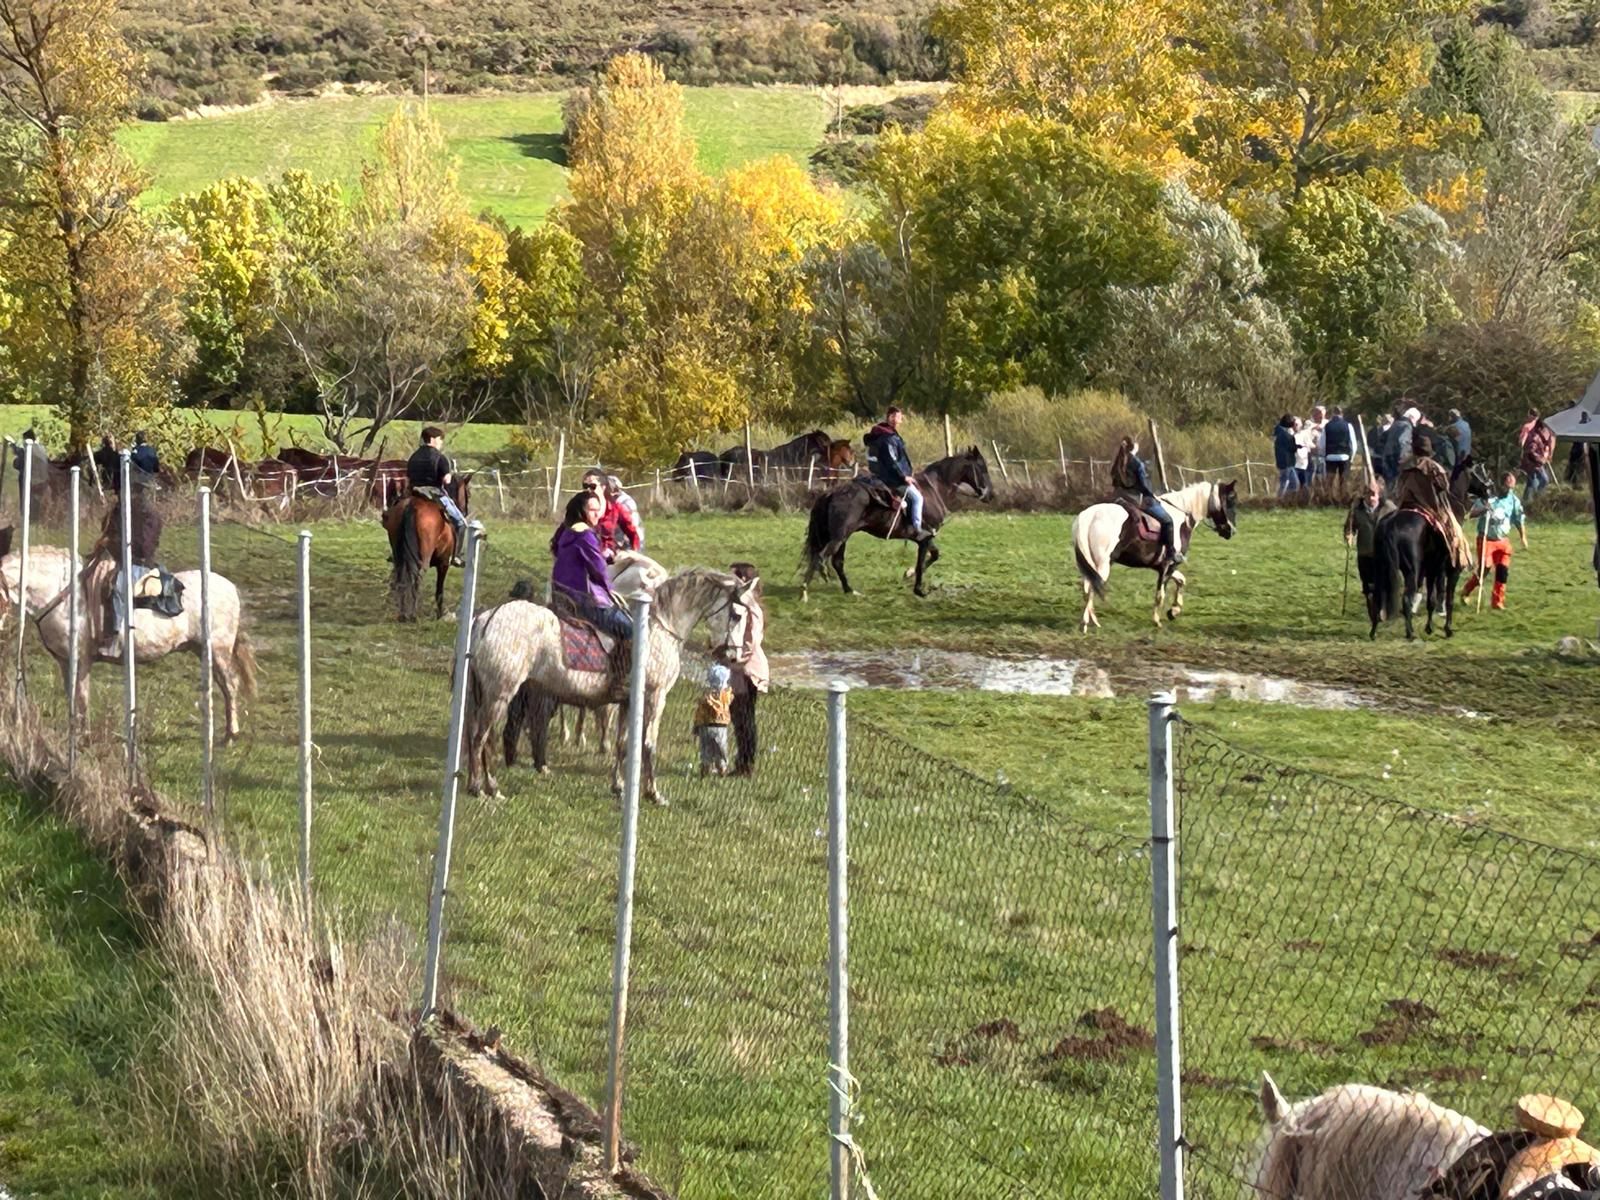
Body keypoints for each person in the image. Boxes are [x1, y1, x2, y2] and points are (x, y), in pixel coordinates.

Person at [88, 476, 164, 658]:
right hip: (118, 557)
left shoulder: (149, 515)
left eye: (122, 491)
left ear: (136, 491)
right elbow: (109, 529)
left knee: (119, 587)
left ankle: (116, 638)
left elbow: (144, 547)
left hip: (138, 562)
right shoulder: (121, 509)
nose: (118, 495)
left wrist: (114, 543)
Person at [550, 490, 633, 643]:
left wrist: (605, 555)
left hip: (561, 595)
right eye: (592, 510)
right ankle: (623, 666)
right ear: (581, 511)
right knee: (631, 630)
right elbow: (599, 570)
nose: (597, 515)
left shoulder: (565, 532)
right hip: (584, 599)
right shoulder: (585, 535)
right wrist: (610, 592)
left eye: (598, 510)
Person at [1393, 430, 1473, 571]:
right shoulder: (1434, 467)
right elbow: (1444, 486)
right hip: (1428, 506)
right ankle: (1458, 560)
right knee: (1454, 529)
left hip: (1403, 504)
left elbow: (1397, 486)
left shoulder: (1404, 464)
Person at [1111, 435, 1184, 564]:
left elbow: (1115, 481)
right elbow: (1144, 486)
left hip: (1119, 498)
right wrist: (1153, 495)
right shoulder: (1137, 463)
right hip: (1137, 500)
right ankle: (1170, 553)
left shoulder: (1118, 461)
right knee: (1168, 521)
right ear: (1135, 447)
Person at [725, 561, 768, 777]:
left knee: (746, 717)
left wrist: (737, 662)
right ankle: (741, 761)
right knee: (738, 716)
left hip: (748, 670)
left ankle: (746, 764)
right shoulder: (739, 603)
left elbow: (752, 641)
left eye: (733, 577)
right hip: (738, 668)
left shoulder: (751, 607)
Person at [863, 406, 932, 540]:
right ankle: (917, 529)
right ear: (889, 417)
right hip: (891, 478)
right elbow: (892, 461)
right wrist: (903, 476)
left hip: (880, 475)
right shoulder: (887, 437)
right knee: (917, 498)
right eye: (896, 417)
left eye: (899, 417)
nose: (898, 420)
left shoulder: (882, 434)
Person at [1463, 472, 1528, 610]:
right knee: (1484, 570)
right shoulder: (1488, 498)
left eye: (1512, 488)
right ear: (1501, 485)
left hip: (1503, 541)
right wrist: (1483, 510)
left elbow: (1518, 518)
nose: (1509, 491)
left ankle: (1497, 602)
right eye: (1507, 487)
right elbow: (1471, 514)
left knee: (1502, 571)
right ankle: (1466, 590)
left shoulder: (1513, 501)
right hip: (1486, 539)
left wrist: (1523, 536)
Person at [406, 426, 467, 567]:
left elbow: (408, 478)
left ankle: (396, 552)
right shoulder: (440, 457)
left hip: (414, 493)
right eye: (440, 440)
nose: (441, 444)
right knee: (461, 523)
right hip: (434, 494)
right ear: (433, 439)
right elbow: (447, 481)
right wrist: (449, 474)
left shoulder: (413, 457)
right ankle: (456, 556)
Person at [1344, 478, 1395, 610]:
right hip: (1365, 552)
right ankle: (1372, 607)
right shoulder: (1357, 510)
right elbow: (1349, 527)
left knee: (1383, 583)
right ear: (1364, 495)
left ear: (1379, 495)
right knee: (1368, 585)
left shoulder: (1389, 509)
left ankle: (1384, 606)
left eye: (1374, 495)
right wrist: (1349, 536)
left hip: (1384, 553)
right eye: (1369, 495)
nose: (1372, 498)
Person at [583, 470, 639, 559]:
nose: (588, 490)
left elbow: (632, 533)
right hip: (587, 560)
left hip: (612, 560)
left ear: (603, 487)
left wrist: (631, 553)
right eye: (585, 486)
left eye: (593, 486)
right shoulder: (578, 510)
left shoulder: (616, 509)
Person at [692, 661, 734, 778]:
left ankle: (704, 770)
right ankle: (722, 770)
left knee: (705, 751)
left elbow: (699, 713)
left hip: (705, 726)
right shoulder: (726, 695)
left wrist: (696, 726)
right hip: (721, 727)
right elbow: (731, 699)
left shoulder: (706, 696)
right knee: (721, 751)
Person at [1519, 409, 1557, 502]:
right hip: (1533, 457)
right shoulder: (1530, 427)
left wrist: (1547, 453)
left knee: (1535, 480)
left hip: (1536, 457)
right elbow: (1522, 442)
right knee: (1536, 480)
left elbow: (1522, 442)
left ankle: (1532, 500)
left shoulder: (1534, 427)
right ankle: (1532, 500)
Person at [1323, 406, 1355, 494]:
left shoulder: (1327, 426)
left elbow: (1322, 443)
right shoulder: (1348, 425)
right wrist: (1351, 457)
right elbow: (1353, 443)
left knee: (1329, 480)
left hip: (1330, 456)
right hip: (1344, 456)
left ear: (1333, 414)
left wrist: (1324, 455)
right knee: (1344, 480)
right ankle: (1343, 497)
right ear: (1342, 414)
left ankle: (1328, 497)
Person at [606, 475, 643, 551]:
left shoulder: (626, 502)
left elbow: (632, 523)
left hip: (630, 541)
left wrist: (625, 541)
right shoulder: (610, 502)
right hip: (617, 540)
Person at [1273, 414, 1299, 498]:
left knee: (1293, 483)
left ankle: (1288, 499)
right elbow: (1292, 448)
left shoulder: (1279, 432)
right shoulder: (1285, 435)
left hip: (1285, 462)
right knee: (1285, 483)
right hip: (1286, 462)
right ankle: (1280, 499)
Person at [1446, 408, 1473, 479]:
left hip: (1457, 457)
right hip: (1467, 455)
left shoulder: (1452, 427)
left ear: (1452, 417)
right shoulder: (1466, 424)